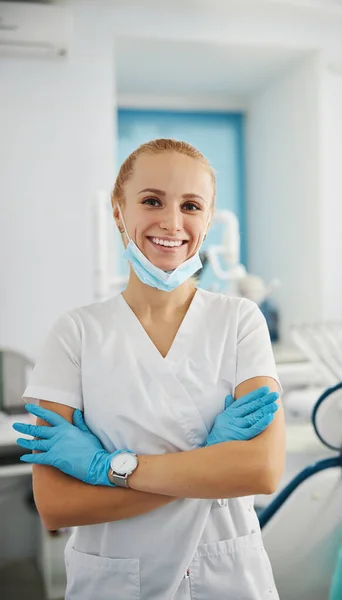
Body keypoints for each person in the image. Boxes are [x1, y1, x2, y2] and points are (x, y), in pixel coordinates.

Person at [13, 139, 286, 600]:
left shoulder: (239, 320)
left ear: (208, 219)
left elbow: (259, 470)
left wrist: (107, 468)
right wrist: (208, 462)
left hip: (230, 578)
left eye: (192, 206)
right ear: (119, 212)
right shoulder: (77, 333)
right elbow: (57, 505)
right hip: (115, 583)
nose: (172, 222)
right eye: (152, 200)